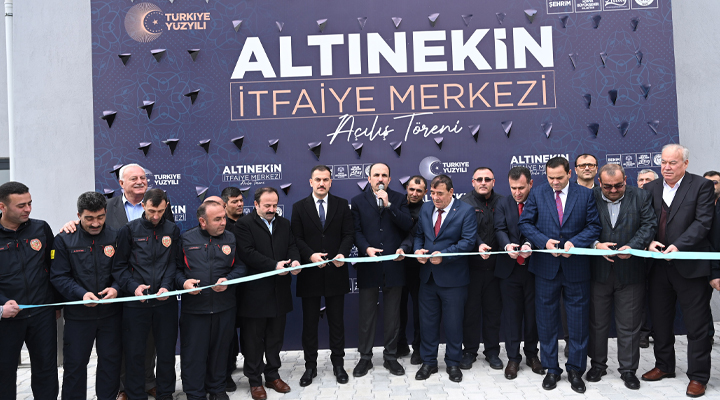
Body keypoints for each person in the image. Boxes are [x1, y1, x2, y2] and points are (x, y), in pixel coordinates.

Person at [61, 163, 173, 400]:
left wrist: (116, 287)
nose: (140, 181)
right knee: (106, 356)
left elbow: (164, 250)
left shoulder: (159, 207)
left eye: (143, 177)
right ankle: (126, 389)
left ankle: (144, 383)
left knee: (132, 351)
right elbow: (64, 271)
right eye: (133, 178)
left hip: (130, 297)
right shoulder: (106, 208)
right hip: (109, 300)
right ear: (121, 183)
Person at [518, 156, 601, 393]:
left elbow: (594, 226)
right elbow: (525, 224)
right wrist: (544, 242)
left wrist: (574, 243)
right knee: (546, 322)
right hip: (546, 268)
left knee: (578, 322)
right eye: (550, 178)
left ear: (569, 174)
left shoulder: (585, 195)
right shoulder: (537, 193)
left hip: (576, 267)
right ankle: (551, 369)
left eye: (559, 178)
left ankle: (575, 370)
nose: (554, 182)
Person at [642, 144, 717, 398]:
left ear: (685, 163)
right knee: (660, 322)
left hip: (691, 268)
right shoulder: (650, 188)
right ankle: (664, 366)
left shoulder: (701, 186)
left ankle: (698, 377)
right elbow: (645, 222)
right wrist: (648, 242)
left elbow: (703, 222)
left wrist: (679, 245)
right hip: (657, 268)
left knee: (697, 326)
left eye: (672, 163)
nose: (666, 167)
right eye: (663, 162)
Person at [586, 164, 657, 390]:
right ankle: (597, 365)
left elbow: (649, 225)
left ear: (626, 179)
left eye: (618, 185)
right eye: (608, 187)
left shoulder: (641, 196)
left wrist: (633, 246)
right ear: (599, 182)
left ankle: (628, 370)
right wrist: (595, 245)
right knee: (597, 324)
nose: (614, 190)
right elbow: (581, 226)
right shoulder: (590, 196)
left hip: (631, 272)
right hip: (598, 272)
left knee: (630, 325)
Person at [50, 192, 122, 400]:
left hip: (111, 314)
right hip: (78, 317)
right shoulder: (64, 239)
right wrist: (81, 294)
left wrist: (116, 288)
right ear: (78, 215)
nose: (95, 223)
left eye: (100, 217)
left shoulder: (116, 236)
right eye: (89, 218)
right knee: (75, 366)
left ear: (106, 213)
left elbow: (124, 271)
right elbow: (58, 276)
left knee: (110, 364)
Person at [233, 187, 301, 400]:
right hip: (254, 294)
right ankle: (255, 380)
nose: (272, 209)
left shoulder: (284, 223)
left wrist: (295, 261)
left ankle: (272, 375)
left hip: (280, 291)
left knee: (275, 338)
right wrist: (274, 265)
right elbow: (247, 253)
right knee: (253, 340)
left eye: (274, 205)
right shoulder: (243, 225)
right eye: (267, 206)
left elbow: (292, 246)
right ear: (255, 205)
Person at [112, 189, 181, 400]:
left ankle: (166, 393)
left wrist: (167, 286)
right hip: (136, 303)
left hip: (165, 302)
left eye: (160, 211)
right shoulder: (128, 230)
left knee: (166, 352)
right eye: (152, 211)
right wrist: (134, 287)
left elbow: (173, 263)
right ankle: (135, 394)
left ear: (166, 207)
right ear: (143, 206)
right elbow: (119, 267)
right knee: (135, 352)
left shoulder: (172, 229)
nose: (156, 216)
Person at [411, 175, 480, 383]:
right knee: (427, 324)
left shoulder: (466, 211)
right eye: (432, 193)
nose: (435, 197)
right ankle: (429, 362)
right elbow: (419, 235)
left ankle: (453, 363)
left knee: (453, 324)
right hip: (428, 278)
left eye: (439, 193)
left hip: (454, 279)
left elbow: (468, 242)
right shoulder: (426, 208)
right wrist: (417, 250)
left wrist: (444, 255)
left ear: (451, 192)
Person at [291, 165, 355, 386]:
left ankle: (338, 365)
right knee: (309, 324)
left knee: (337, 323)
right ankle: (310, 367)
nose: (321, 183)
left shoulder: (341, 205)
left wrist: (342, 253)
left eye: (325, 179)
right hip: (310, 273)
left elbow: (348, 234)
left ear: (330, 182)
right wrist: (310, 255)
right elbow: (296, 238)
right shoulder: (299, 207)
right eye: (317, 179)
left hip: (336, 271)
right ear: (311, 182)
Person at [176, 200, 246, 400]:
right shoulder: (186, 239)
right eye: (217, 219)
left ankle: (217, 389)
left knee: (221, 352)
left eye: (224, 217)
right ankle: (195, 393)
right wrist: (184, 283)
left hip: (225, 308)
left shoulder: (231, 238)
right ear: (202, 221)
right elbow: (175, 270)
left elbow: (241, 267)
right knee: (193, 354)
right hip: (195, 310)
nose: (223, 222)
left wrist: (229, 280)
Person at [350, 162, 413, 377]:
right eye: (376, 175)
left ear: (389, 179)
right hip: (369, 264)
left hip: (394, 265)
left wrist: (389, 205)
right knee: (366, 314)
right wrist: (366, 248)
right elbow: (356, 231)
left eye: (384, 175)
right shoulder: (357, 201)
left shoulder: (399, 199)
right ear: (369, 178)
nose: (380, 179)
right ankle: (365, 358)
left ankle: (391, 357)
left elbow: (407, 225)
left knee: (393, 315)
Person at [0, 181, 59, 400]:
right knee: (4, 372)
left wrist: (56, 303)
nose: (28, 209)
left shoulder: (41, 228)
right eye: (21, 205)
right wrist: (1, 304)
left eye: (30, 203)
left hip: (42, 313)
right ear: (2, 206)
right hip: (8, 317)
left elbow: (55, 267)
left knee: (46, 370)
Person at [493, 167, 544, 379]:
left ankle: (532, 355)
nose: (517, 192)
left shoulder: (540, 201)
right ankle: (513, 358)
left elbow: (542, 227)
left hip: (535, 269)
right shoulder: (502, 203)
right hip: (509, 270)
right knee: (512, 316)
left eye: (521, 188)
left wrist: (530, 244)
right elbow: (499, 229)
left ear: (530, 184)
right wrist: (507, 246)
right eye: (513, 188)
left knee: (533, 315)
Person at [458, 167, 503, 370]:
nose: (483, 182)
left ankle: (492, 352)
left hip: (496, 269)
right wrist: (478, 244)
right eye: (479, 179)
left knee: (493, 313)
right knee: (471, 313)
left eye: (487, 179)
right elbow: (463, 231)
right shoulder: (464, 203)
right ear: (473, 182)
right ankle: (469, 351)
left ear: (493, 181)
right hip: (471, 269)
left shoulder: (502, 202)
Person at [396, 175, 427, 365]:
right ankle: (400, 344)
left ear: (425, 192)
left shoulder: (427, 209)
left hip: (418, 267)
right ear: (406, 188)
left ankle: (419, 348)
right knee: (398, 309)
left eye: (419, 191)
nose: (414, 193)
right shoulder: (397, 206)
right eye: (412, 189)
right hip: (397, 264)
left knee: (419, 310)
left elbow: (416, 235)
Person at [636, 168, 659, 348]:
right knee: (640, 298)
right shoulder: (633, 199)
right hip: (638, 254)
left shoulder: (662, 199)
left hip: (660, 256)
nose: (644, 183)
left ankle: (658, 332)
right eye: (641, 180)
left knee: (660, 298)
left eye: (648, 180)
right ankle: (643, 333)